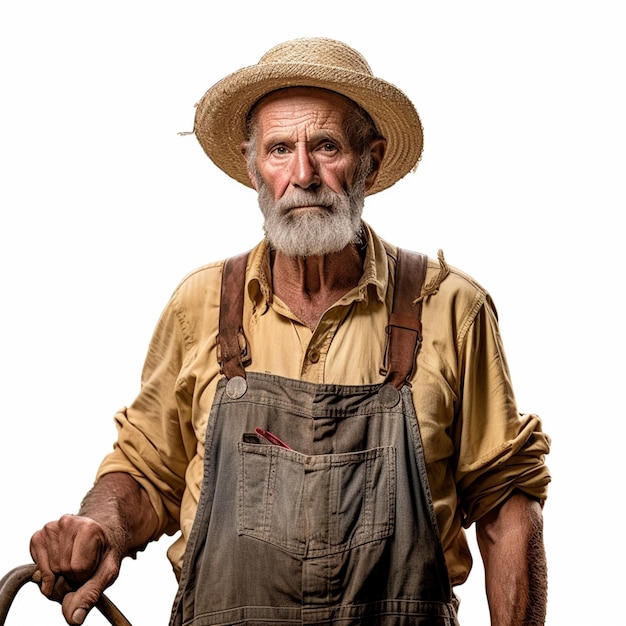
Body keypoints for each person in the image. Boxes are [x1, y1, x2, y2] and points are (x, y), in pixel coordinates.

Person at [29, 37, 551, 626]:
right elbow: (146, 472)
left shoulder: (453, 309)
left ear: (371, 160)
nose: (303, 175)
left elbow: (508, 506)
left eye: (326, 146)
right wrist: (98, 525)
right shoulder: (198, 307)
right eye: (280, 150)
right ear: (255, 168)